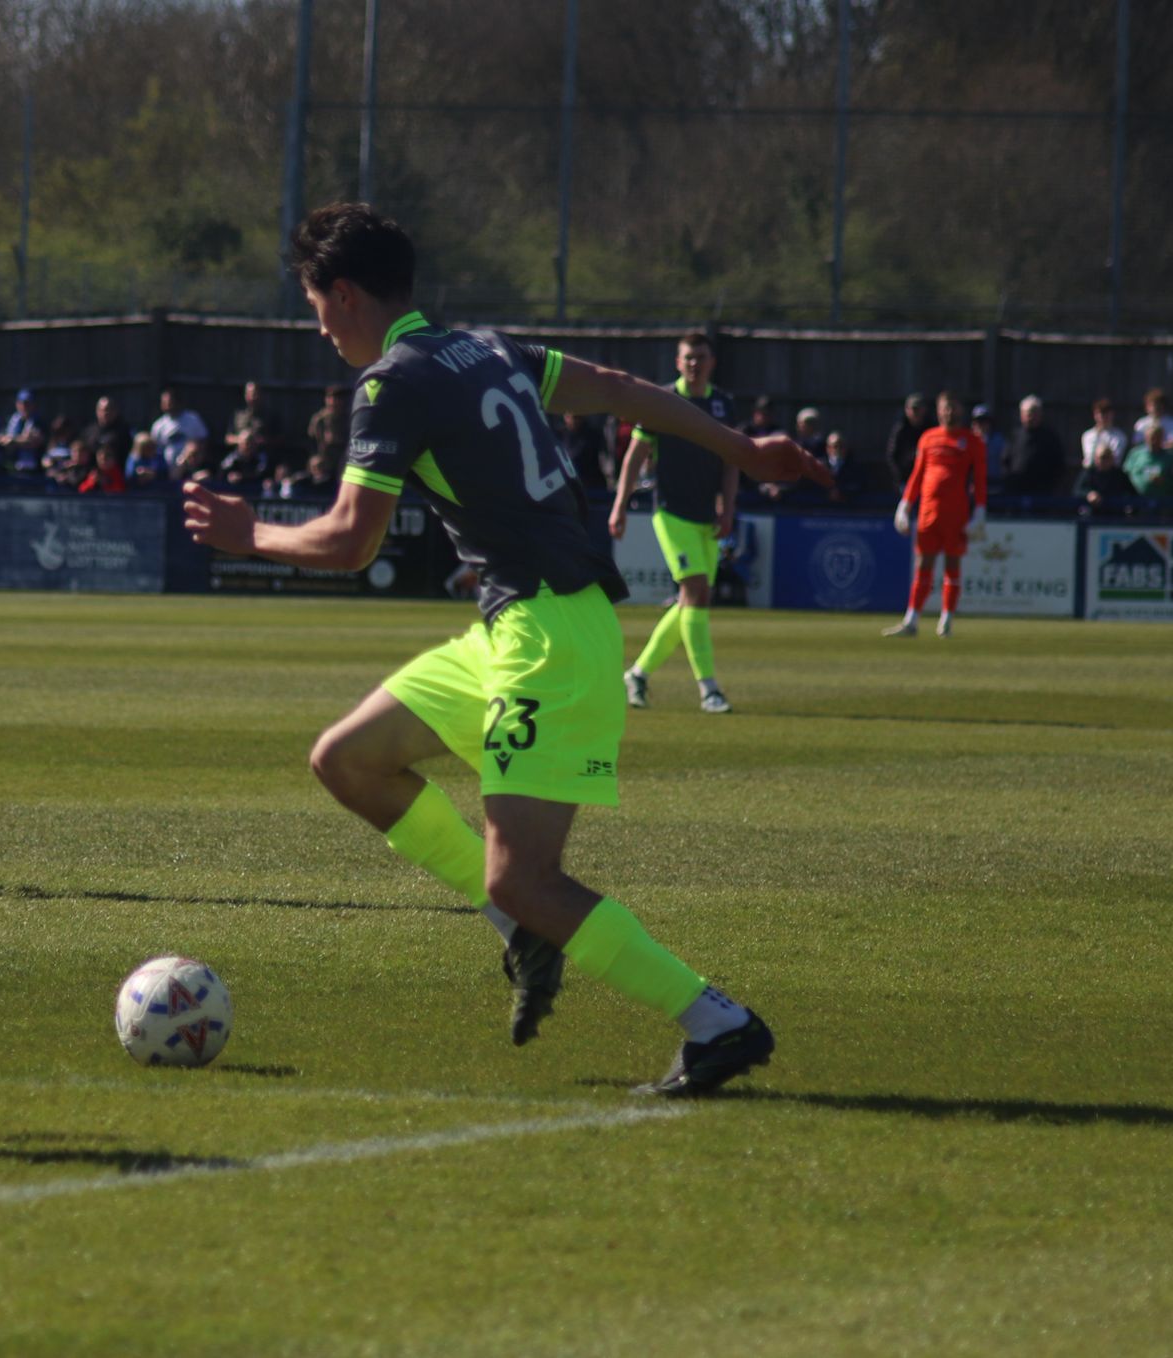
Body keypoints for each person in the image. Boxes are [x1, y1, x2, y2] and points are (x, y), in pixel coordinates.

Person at [184, 203, 829, 1092]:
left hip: (549, 635)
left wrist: (250, 537)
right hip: (512, 626)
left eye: (315, 306)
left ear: (341, 294)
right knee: (348, 760)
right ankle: (519, 928)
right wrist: (743, 449)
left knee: (528, 877)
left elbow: (349, 541)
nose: (319, 328)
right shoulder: (481, 347)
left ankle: (715, 1021)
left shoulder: (391, 383)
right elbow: (619, 387)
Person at [612, 333, 741, 715]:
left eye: (701, 357)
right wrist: (619, 505)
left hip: (707, 515)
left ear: (712, 361)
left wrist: (728, 507)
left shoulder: (723, 404)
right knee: (696, 592)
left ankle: (637, 674)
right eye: (688, 357)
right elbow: (635, 455)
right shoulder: (661, 401)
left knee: (692, 601)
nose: (694, 364)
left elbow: (732, 459)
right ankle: (709, 688)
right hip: (670, 512)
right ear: (677, 361)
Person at [884, 392, 988, 639]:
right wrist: (905, 505)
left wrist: (980, 511)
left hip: (956, 514)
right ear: (939, 411)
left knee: (952, 566)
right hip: (928, 513)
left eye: (953, 408)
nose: (948, 412)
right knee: (923, 565)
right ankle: (911, 620)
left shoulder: (971, 441)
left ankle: (947, 620)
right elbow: (918, 475)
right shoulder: (928, 438)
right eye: (945, 408)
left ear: (960, 411)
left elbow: (981, 480)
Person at [1005, 395, 1065, 496]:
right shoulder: (1014, 436)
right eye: (1027, 414)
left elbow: (1058, 465)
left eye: (1034, 413)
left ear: (1040, 414)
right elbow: (1005, 461)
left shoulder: (1050, 437)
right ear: (1021, 415)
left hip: (1042, 493)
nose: (1030, 417)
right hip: (1016, 492)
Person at [886, 392, 932, 490]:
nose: (915, 412)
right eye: (913, 409)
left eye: (918, 409)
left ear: (924, 410)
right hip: (906, 480)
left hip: (927, 478)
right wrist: (900, 477)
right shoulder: (900, 429)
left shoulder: (931, 429)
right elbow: (892, 455)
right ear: (906, 410)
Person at [1080, 397, 1127, 473]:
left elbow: (1116, 460)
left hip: (1112, 474)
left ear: (1112, 414)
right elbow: (1089, 460)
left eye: (1106, 413)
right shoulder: (1088, 435)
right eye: (1100, 413)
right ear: (1095, 415)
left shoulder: (1120, 436)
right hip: (1092, 473)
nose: (1103, 417)